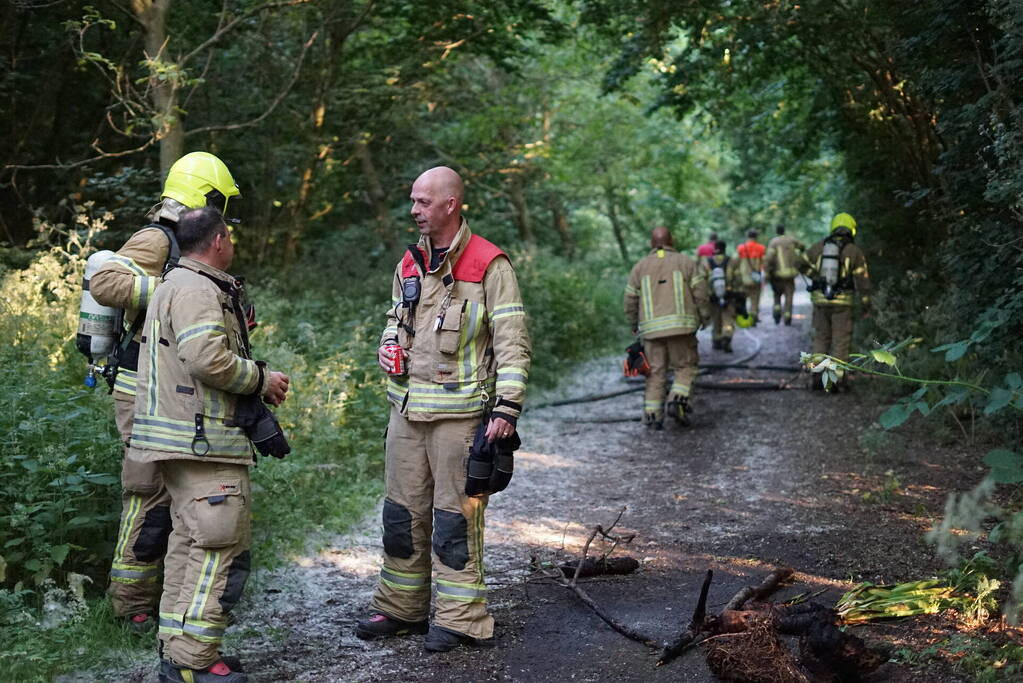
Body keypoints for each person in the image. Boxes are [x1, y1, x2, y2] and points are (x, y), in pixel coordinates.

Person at [356, 167, 531, 652]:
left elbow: (513, 343)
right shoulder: (408, 264)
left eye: (422, 202)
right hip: (406, 413)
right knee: (401, 515)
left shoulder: (489, 264)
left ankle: (461, 618)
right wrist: (388, 343)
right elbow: (396, 320)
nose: (414, 211)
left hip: (460, 419)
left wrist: (507, 409)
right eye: (412, 201)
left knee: (455, 520)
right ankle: (401, 608)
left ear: (450, 205)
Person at [126, 206, 289, 683]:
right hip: (204, 444)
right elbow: (204, 358)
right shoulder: (198, 288)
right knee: (218, 547)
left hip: (178, 443)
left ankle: (177, 650)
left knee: (188, 545)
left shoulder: (174, 283)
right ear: (218, 241)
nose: (232, 244)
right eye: (230, 237)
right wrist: (261, 378)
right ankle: (194, 661)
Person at [89, 152, 240, 632]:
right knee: (146, 495)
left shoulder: (186, 240)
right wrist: (178, 291)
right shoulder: (157, 236)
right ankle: (130, 605)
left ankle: (168, 604)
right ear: (205, 193)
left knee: (178, 498)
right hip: (141, 389)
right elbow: (105, 281)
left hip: (172, 389)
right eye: (221, 201)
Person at [624, 226, 710, 429]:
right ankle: (677, 398)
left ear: (652, 244)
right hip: (682, 328)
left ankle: (653, 415)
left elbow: (629, 299)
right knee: (685, 366)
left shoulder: (640, 267)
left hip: (652, 332)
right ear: (672, 241)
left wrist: (633, 323)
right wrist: (704, 316)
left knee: (655, 372)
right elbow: (701, 292)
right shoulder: (686, 262)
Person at [800, 212, 872, 390]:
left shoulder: (819, 247)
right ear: (851, 229)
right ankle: (837, 381)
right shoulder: (854, 251)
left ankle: (817, 378)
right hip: (843, 304)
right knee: (840, 341)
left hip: (820, 301)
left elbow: (799, 263)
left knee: (821, 338)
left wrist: (815, 277)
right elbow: (863, 280)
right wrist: (865, 303)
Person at [703, 240, 742, 352]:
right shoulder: (732, 261)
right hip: (728, 296)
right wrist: (736, 292)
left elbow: (702, 280)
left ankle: (716, 341)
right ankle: (727, 337)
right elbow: (738, 279)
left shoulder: (707, 261)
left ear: (715, 248)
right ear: (725, 248)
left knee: (716, 320)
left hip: (712, 297)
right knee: (728, 319)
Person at [764, 224, 804, 325]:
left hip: (778, 275)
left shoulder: (773, 242)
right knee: (789, 296)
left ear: (776, 231)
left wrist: (767, 271)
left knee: (777, 295)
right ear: (784, 230)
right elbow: (802, 247)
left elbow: (769, 258)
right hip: (791, 275)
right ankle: (787, 316)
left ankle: (777, 310)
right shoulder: (792, 240)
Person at [736, 229, 766, 325]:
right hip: (755, 278)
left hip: (743, 278)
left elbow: (736, 262)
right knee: (755, 298)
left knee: (742, 298)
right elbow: (764, 263)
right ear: (756, 237)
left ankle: (744, 318)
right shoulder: (761, 248)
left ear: (747, 236)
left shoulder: (741, 248)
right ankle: (753, 317)